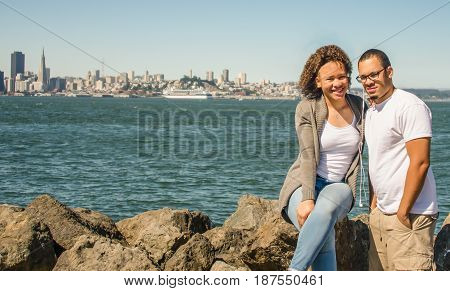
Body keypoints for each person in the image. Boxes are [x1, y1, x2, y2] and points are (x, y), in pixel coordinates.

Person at [279, 45, 366, 271]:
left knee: (325, 212)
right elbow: (308, 155)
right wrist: (307, 198)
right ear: (318, 81)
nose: (337, 83)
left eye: (342, 77)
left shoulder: (360, 107)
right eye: (330, 79)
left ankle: (293, 273)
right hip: (303, 184)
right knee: (324, 238)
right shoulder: (307, 108)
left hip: (339, 187)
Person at [357, 49, 438, 271]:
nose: (368, 82)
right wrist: (374, 207)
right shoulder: (372, 112)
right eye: (363, 77)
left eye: (374, 74)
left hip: (410, 215)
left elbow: (420, 162)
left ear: (389, 72)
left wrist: (403, 212)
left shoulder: (409, 106)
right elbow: (378, 162)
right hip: (382, 215)